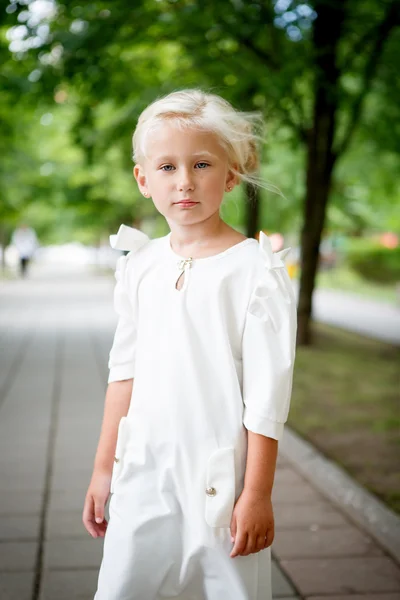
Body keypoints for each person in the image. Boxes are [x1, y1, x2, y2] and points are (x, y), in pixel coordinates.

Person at [82, 89, 297, 600]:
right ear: (143, 178)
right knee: (122, 587)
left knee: (229, 589)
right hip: (144, 469)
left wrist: (258, 494)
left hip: (218, 477)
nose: (184, 181)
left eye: (201, 163)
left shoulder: (254, 271)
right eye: (167, 167)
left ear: (229, 175)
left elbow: (267, 399)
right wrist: (102, 467)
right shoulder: (139, 265)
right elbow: (124, 372)